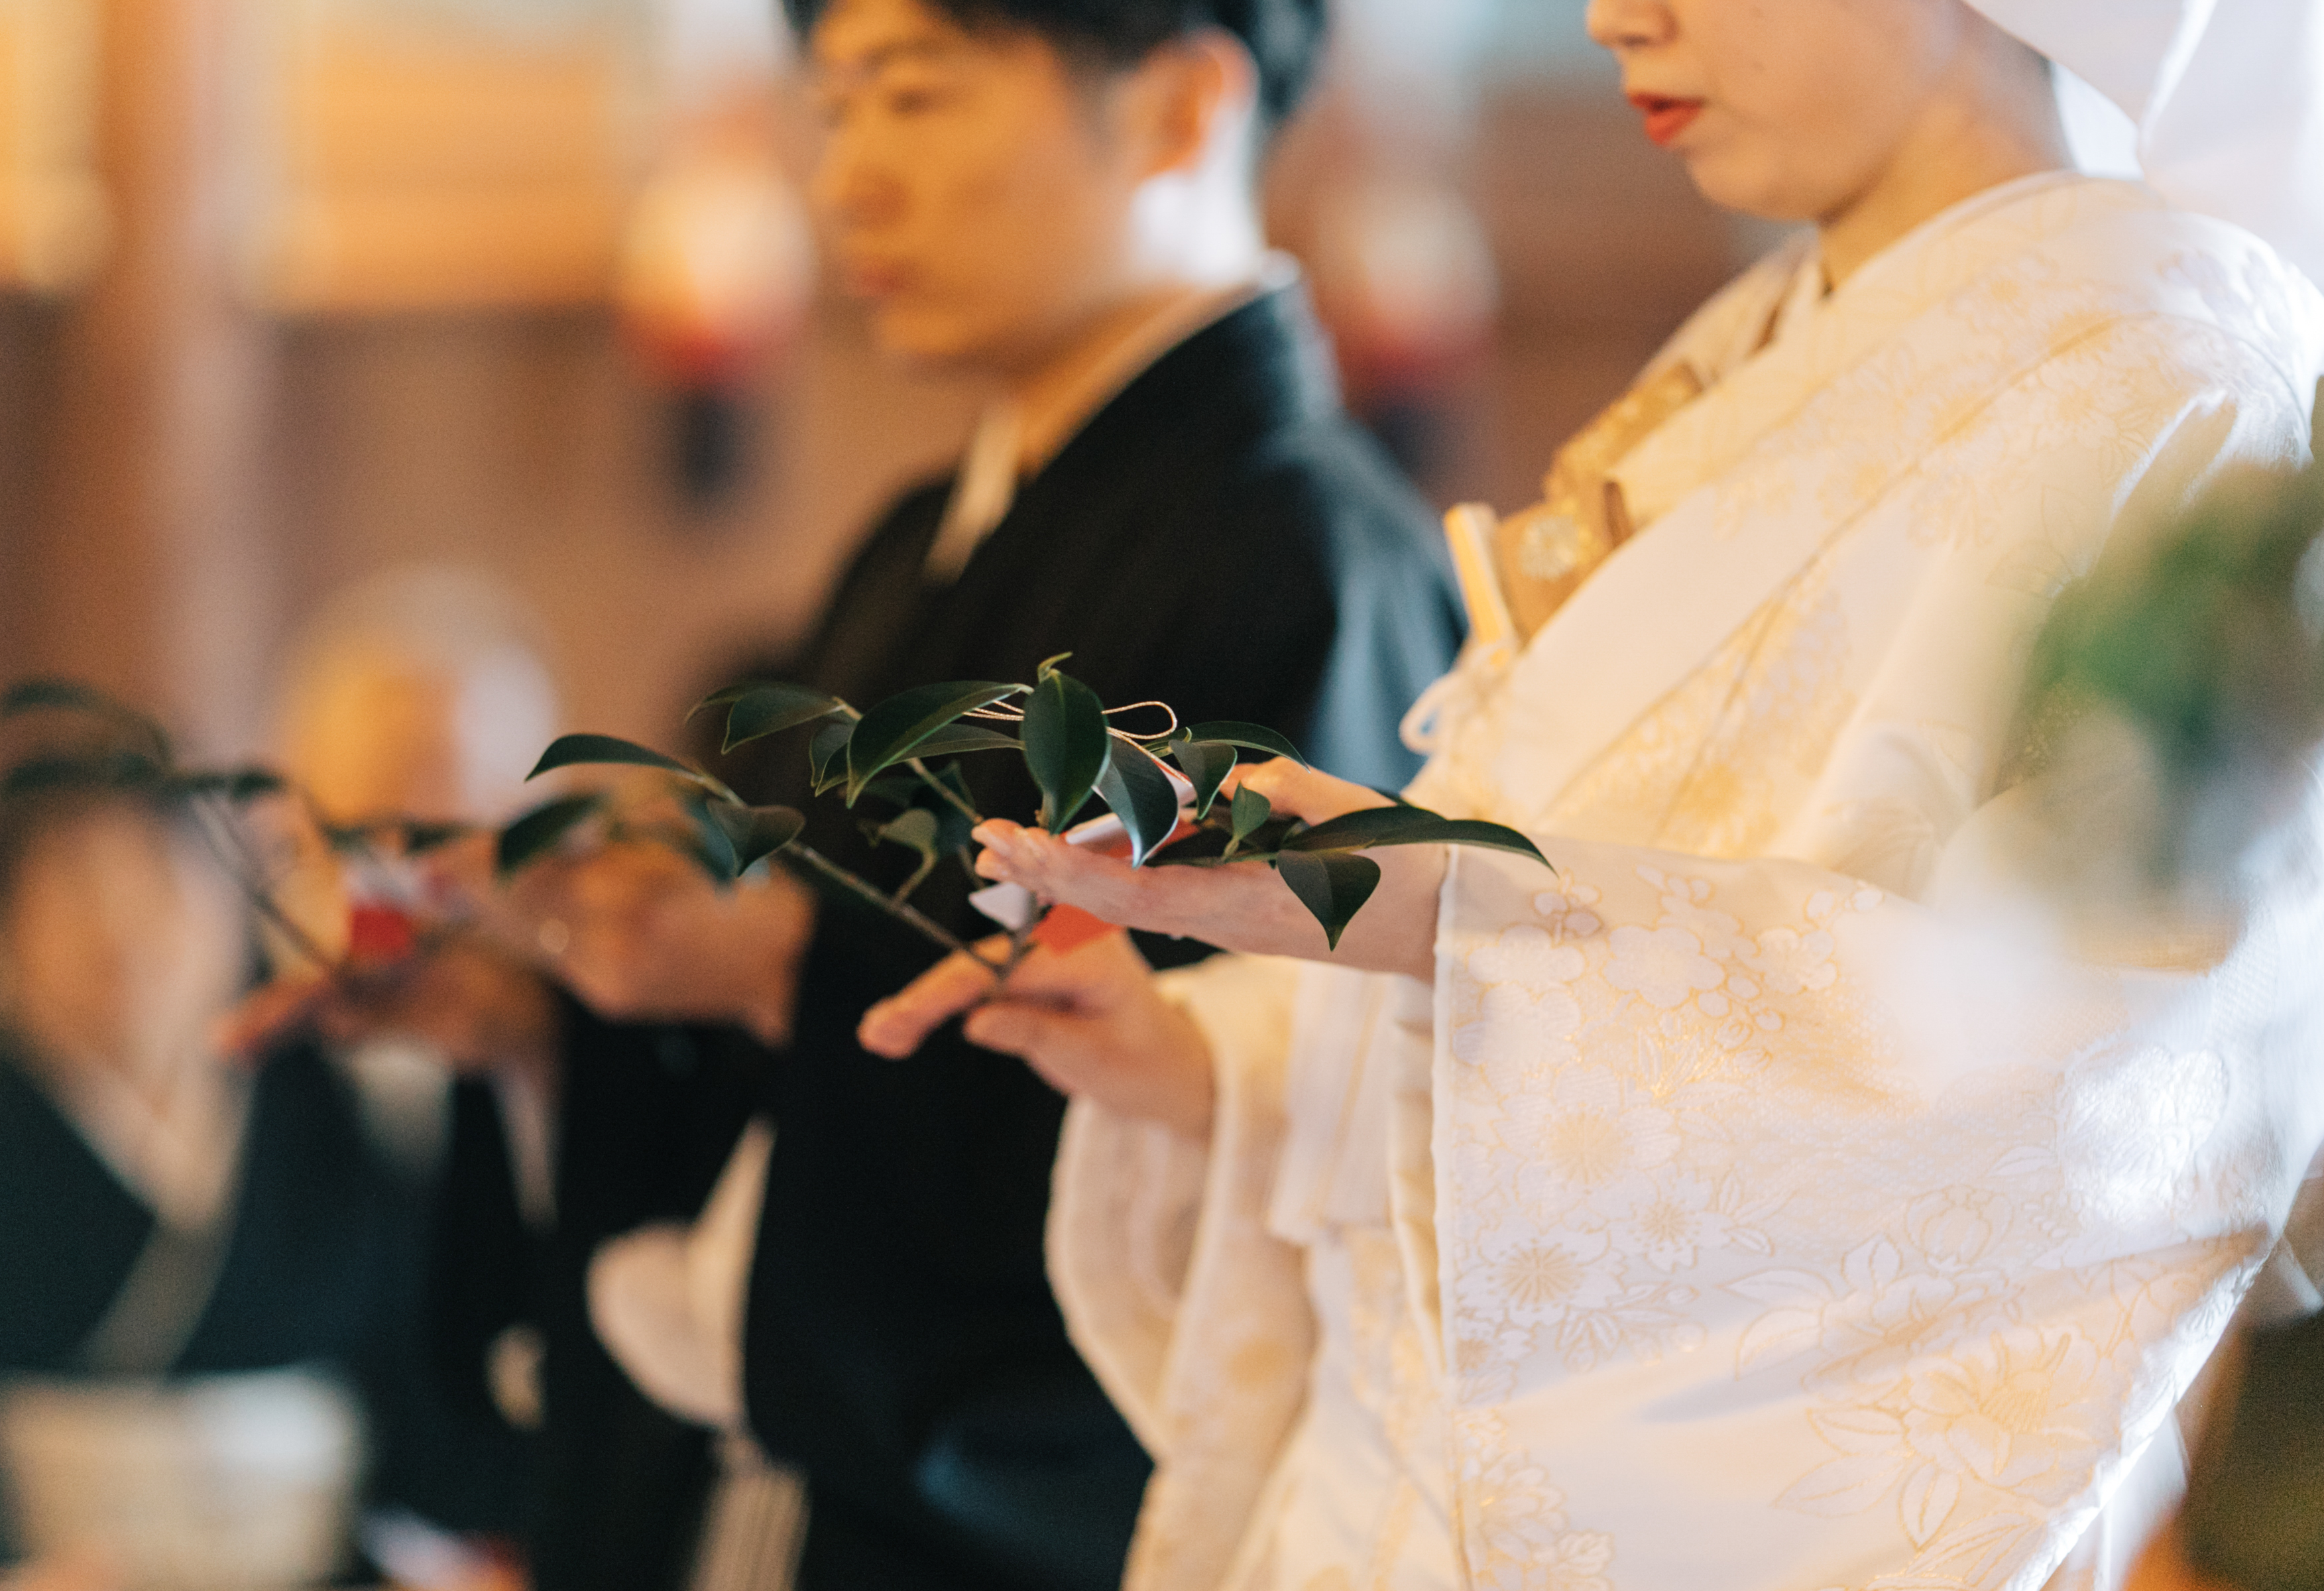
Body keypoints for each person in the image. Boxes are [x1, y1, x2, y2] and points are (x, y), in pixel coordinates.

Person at [858, 1, 2324, 1586]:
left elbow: (2122, 1074)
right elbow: (1597, 858)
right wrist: (1234, 1056)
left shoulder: (2179, 370)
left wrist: (1455, 911)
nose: (1615, 16)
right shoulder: (1758, 344)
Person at [506, 0, 1466, 1586]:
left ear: (1177, 104)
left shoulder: (1308, 555)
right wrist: (564, 1014)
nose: (848, 179)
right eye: (834, 108)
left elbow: (1300, 1137)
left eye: (913, 95)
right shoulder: (915, 538)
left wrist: (789, 967)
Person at [257, 568, 767, 1591]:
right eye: (368, 808)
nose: (413, 849)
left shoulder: (628, 1039)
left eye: (453, 797)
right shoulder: (270, 1045)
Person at [0, 762, 492, 1584]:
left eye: (155, 873)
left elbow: (416, 1381)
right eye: (73, 885)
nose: (118, 925)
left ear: (234, 909)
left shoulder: (342, 1119)